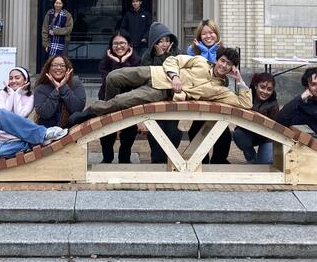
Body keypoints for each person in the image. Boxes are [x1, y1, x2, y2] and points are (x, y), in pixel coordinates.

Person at [68, 45, 251, 127]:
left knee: (123, 100)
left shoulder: (220, 91)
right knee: (114, 77)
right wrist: (175, 76)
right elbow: (173, 59)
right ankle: (108, 111)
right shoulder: (201, 62)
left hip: (160, 91)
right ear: (218, 60)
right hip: (156, 72)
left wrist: (240, 81)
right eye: (223, 61)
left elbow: (244, 104)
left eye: (228, 65)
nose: (224, 66)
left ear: (231, 69)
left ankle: (91, 112)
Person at [140, 22, 185, 164]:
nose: (165, 44)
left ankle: (171, 158)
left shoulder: (178, 53)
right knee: (156, 131)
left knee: (173, 131)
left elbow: (177, 74)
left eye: (167, 40)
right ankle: (157, 160)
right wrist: (160, 57)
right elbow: (156, 76)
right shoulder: (147, 56)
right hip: (155, 98)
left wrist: (164, 57)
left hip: (173, 98)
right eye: (161, 41)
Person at [184, 19, 228, 154]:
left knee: (223, 134)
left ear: (217, 34)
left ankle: (219, 161)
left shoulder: (222, 50)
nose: (208, 36)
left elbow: (220, 75)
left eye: (211, 32)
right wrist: (204, 52)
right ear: (199, 36)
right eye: (204, 34)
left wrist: (212, 51)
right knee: (197, 130)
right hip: (199, 93)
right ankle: (201, 161)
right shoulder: (192, 50)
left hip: (216, 94)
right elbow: (202, 71)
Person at [96, 33, 141, 164]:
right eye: (115, 43)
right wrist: (117, 62)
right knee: (106, 130)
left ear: (129, 45)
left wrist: (125, 61)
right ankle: (107, 157)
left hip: (129, 100)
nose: (119, 46)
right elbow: (111, 81)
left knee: (130, 130)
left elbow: (131, 81)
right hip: (108, 99)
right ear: (111, 46)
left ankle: (124, 158)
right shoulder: (105, 61)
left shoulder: (136, 61)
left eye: (122, 43)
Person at [232, 72, 280, 165]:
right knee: (238, 134)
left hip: (266, 137)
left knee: (264, 163)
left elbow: (275, 127)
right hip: (248, 132)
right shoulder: (248, 97)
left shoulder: (273, 104)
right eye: (262, 87)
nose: (265, 92)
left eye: (269, 89)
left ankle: (265, 156)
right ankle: (251, 157)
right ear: (255, 86)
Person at [0, 67, 35, 148]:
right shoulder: (2, 93)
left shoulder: (30, 97)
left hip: (19, 136)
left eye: (17, 78)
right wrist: (12, 95)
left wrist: (17, 94)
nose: (13, 81)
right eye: (10, 78)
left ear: (25, 80)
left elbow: (20, 117)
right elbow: (3, 116)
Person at [32, 54, 87, 127]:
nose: (58, 68)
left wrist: (63, 87)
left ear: (67, 69)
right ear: (49, 68)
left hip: (71, 129)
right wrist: (57, 90)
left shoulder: (75, 83)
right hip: (48, 130)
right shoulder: (41, 88)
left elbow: (78, 108)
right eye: (54, 65)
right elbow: (45, 114)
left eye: (62, 65)